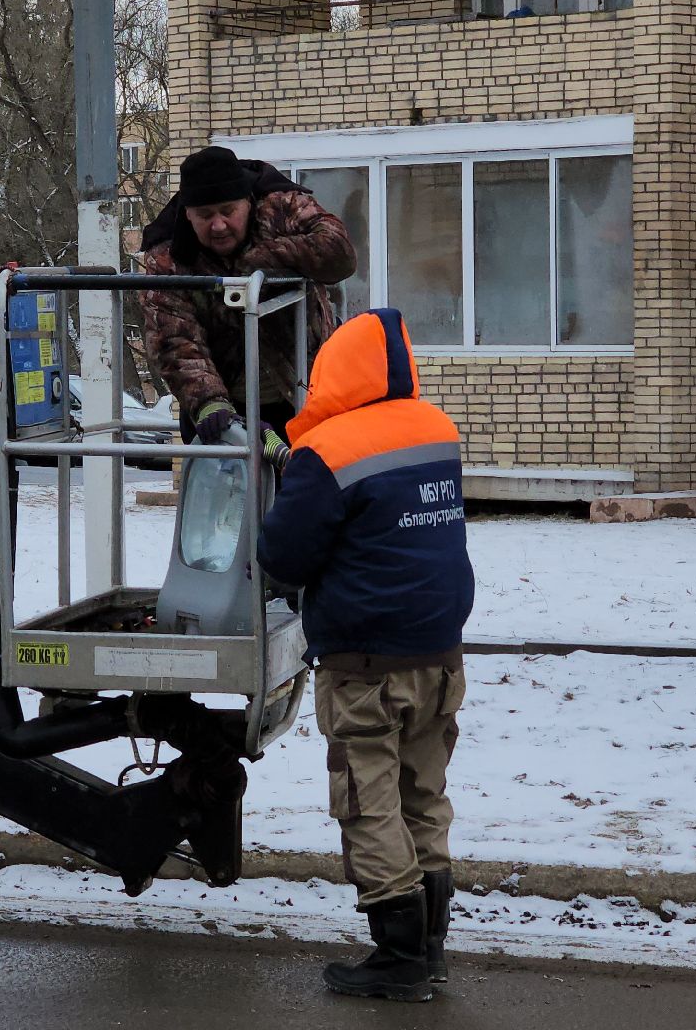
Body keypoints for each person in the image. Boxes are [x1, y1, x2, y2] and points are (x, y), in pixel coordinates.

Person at [256, 308, 475, 1003]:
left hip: (366, 663)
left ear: (333, 374)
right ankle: (431, 948)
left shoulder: (329, 452)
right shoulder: (435, 427)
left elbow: (282, 559)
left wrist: (290, 481)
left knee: (367, 799)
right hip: (440, 653)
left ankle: (398, 956)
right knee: (424, 793)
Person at [139, 146, 356, 453]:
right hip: (222, 403)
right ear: (187, 214)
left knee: (308, 491)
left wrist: (263, 261)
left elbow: (340, 253)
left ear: (249, 202)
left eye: (228, 212)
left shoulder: (281, 208)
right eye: (205, 216)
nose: (218, 225)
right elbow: (174, 339)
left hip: (305, 392)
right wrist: (212, 406)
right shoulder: (168, 258)